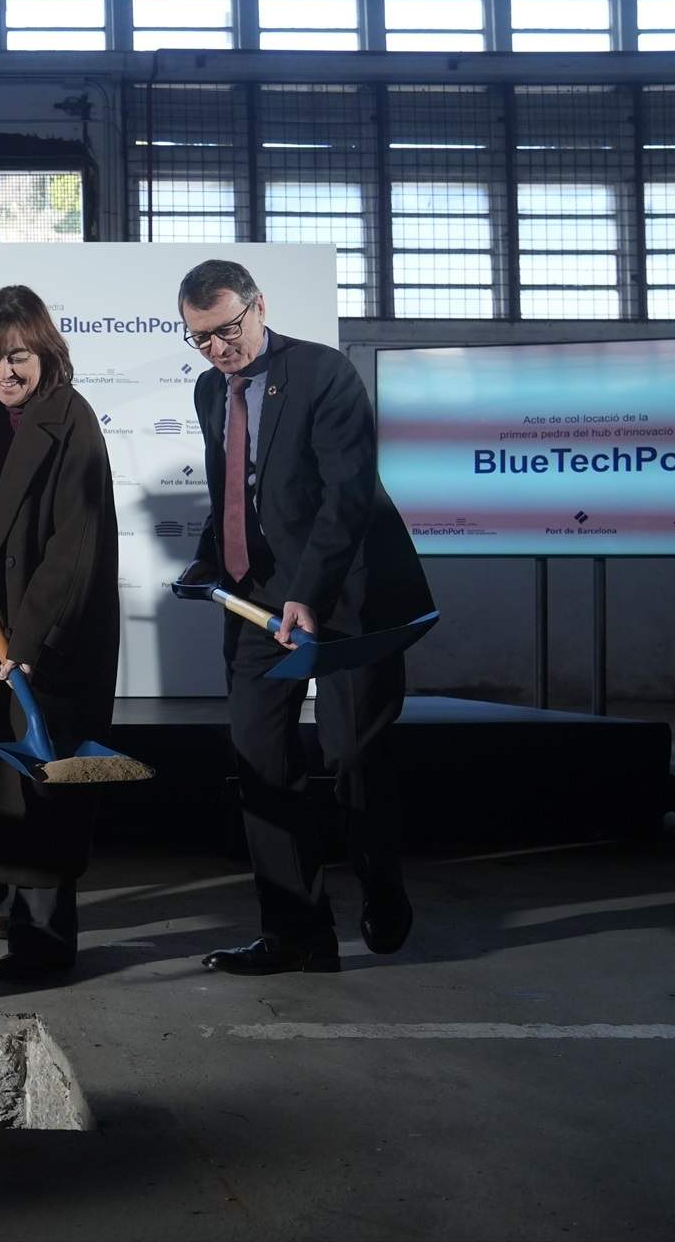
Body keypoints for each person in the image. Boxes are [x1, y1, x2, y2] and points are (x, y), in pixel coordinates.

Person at [173, 258, 435, 976]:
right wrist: (207, 560)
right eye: (200, 338)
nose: (218, 349)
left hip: (348, 597)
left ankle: (382, 888)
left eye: (228, 330)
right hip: (256, 599)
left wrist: (309, 594)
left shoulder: (323, 374)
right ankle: (296, 933)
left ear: (259, 307)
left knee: (354, 755)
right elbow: (235, 491)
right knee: (260, 760)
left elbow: (346, 496)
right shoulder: (209, 390)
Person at [0, 285, 120, 982]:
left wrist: (28, 642)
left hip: (55, 635)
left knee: (45, 784)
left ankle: (46, 945)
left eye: (16, 356)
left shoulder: (73, 423)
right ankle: (10, 908)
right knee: (0, 775)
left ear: (44, 351)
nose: (3, 373)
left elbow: (72, 553)